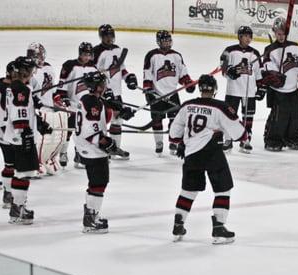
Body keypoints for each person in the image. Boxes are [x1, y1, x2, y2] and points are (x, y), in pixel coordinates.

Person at [169, 74, 247, 244]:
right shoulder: (221, 107)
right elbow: (238, 133)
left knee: (188, 191)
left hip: (191, 154)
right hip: (212, 153)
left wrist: (181, 143)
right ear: (214, 90)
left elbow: (174, 133)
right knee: (222, 189)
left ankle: (178, 225)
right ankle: (219, 228)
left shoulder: (187, 105)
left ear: (200, 88)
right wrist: (244, 134)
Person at [74, 72, 126, 233]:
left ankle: (91, 214)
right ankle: (90, 221)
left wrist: (121, 111)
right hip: (92, 149)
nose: (105, 86)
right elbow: (91, 132)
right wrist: (108, 144)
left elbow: (105, 114)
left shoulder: (91, 99)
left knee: (96, 183)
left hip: (87, 147)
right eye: (102, 84)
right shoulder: (93, 104)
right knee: (99, 183)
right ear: (95, 86)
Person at [262, 17, 298, 151]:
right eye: (278, 33)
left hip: (293, 89)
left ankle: (293, 137)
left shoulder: (296, 47)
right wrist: (275, 76)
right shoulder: (269, 50)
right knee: (279, 117)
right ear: (274, 32)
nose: (281, 35)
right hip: (278, 90)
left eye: (283, 32)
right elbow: (266, 68)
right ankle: (272, 139)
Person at [143, 30, 195, 156]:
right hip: (156, 94)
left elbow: (183, 73)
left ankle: (173, 141)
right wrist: (148, 89)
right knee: (157, 121)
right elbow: (147, 73)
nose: (166, 43)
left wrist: (187, 83)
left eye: (168, 40)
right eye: (164, 40)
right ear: (158, 42)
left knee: (175, 120)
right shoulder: (152, 55)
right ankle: (159, 143)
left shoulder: (177, 56)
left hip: (172, 93)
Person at [93, 24, 137, 159]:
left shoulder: (118, 49)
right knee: (103, 120)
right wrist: (103, 89)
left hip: (117, 92)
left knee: (117, 120)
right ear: (101, 37)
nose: (109, 38)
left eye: (111, 35)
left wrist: (128, 77)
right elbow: (93, 73)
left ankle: (115, 149)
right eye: (106, 36)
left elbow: (121, 69)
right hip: (104, 93)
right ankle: (103, 149)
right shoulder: (97, 51)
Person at [4, 56, 39, 224]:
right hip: (20, 136)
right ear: (26, 71)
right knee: (23, 174)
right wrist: (25, 133)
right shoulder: (22, 89)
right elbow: (19, 113)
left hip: (15, 135)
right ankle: (17, 209)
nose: (33, 73)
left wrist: (41, 123)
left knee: (21, 173)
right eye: (31, 69)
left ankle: (17, 207)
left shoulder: (16, 86)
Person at [219, 26, 265, 153]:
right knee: (229, 115)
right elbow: (222, 67)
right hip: (233, 90)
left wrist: (261, 87)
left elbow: (259, 72)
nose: (248, 38)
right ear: (239, 36)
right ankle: (228, 140)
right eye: (245, 36)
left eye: (249, 36)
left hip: (249, 91)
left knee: (248, 116)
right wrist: (229, 71)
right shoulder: (229, 50)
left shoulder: (254, 53)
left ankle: (246, 140)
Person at [27, 42, 68, 176]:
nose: (37, 57)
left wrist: (57, 99)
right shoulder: (29, 70)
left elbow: (52, 89)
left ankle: (49, 159)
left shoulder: (49, 68)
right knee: (38, 138)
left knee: (52, 138)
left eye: (38, 54)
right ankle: (35, 163)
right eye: (34, 55)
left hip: (48, 109)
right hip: (37, 109)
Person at [55, 42, 98, 168]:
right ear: (80, 54)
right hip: (72, 104)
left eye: (89, 55)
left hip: (86, 107)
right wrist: (64, 99)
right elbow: (61, 86)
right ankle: (63, 152)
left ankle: (79, 154)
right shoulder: (70, 65)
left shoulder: (93, 68)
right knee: (68, 131)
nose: (87, 57)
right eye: (85, 54)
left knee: (83, 132)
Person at [0, 61, 17, 208]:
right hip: (5, 130)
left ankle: (8, 193)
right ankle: (8, 194)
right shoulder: (9, 89)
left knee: (9, 163)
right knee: (12, 164)